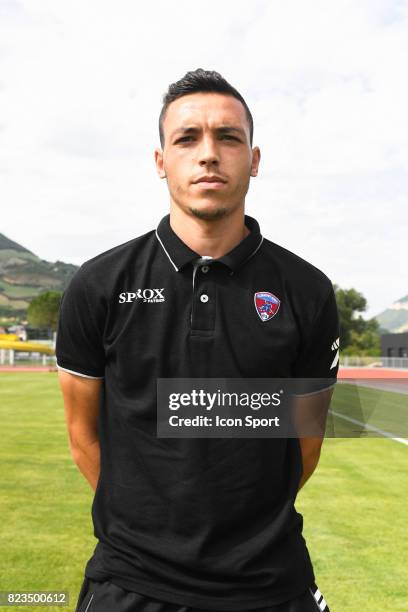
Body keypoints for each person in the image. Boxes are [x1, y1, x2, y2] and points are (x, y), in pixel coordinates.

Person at [56, 68, 339, 612]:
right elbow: (82, 436)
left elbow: (306, 445)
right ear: (161, 162)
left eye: (228, 137)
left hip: (269, 584)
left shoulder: (306, 290)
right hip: (132, 583)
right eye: (187, 138)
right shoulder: (99, 284)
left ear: (253, 160)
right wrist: (151, 533)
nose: (208, 154)